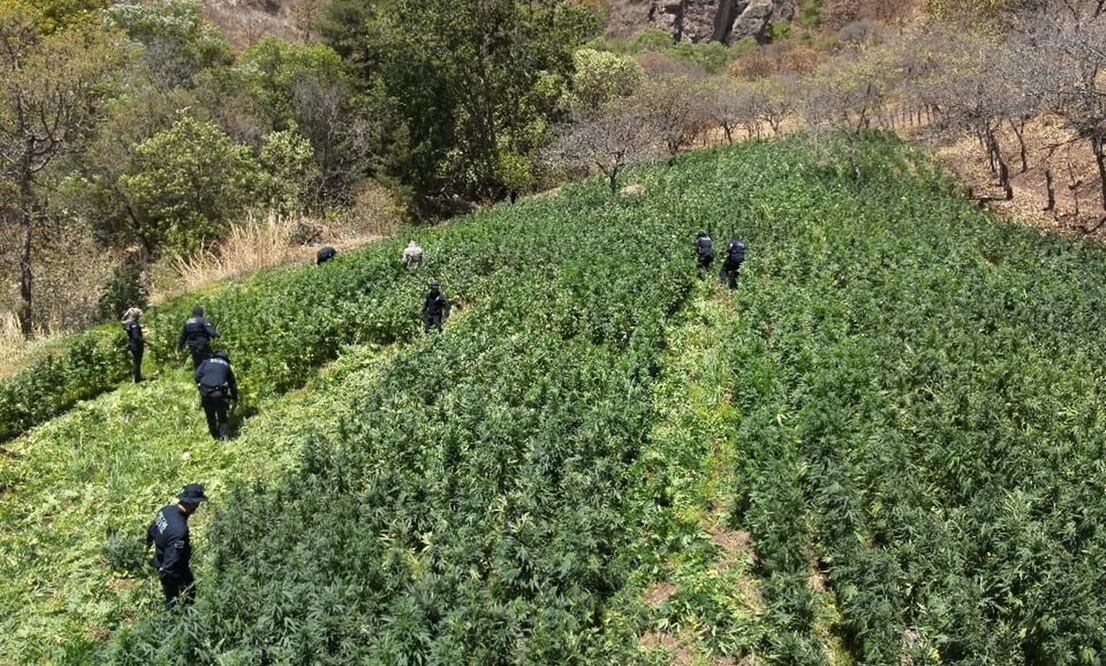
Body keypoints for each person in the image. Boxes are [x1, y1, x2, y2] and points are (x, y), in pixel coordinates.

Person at [146, 484, 207, 610]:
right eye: (197, 504)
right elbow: (172, 561)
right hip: (172, 570)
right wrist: (174, 582)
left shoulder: (165, 510)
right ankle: (177, 621)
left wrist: (146, 546)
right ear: (192, 504)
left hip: (160, 559)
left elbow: (152, 529)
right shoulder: (179, 530)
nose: (197, 507)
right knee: (178, 599)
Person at [195, 350, 238, 441]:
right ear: (225, 358)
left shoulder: (206, 362)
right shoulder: (226, 365)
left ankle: (214, 436)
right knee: (222, 415)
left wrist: (200, 386)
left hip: (205, 391)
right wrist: (234, 397)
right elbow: (232, 383)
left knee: (210, 415)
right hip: (218, 393)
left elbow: (197, 375)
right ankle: (224, 437)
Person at [122, 307, 145, 383]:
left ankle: (137, 376)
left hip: (132, 345)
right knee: (137, 362)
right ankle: (137, 379)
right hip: (136, 346)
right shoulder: (134, 324)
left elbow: (122, 321)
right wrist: (146, 341)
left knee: (136, 362)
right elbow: (136, 336)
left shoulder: (129, 323)